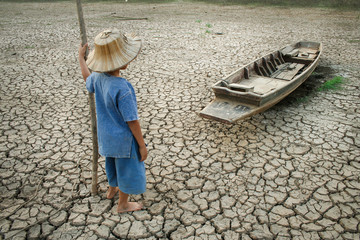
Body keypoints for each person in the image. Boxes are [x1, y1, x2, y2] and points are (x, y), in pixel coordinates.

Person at [78, 28, 147, 213]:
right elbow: (132, 121)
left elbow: (87, 79)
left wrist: (81, 59)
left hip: (106, 137)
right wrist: (141, 144)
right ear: (123, 62)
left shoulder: (98, 78)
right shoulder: (123, 88)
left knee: (111, 164)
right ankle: (123, 204)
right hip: (123, 141)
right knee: (126, 170)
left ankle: (111, 189)